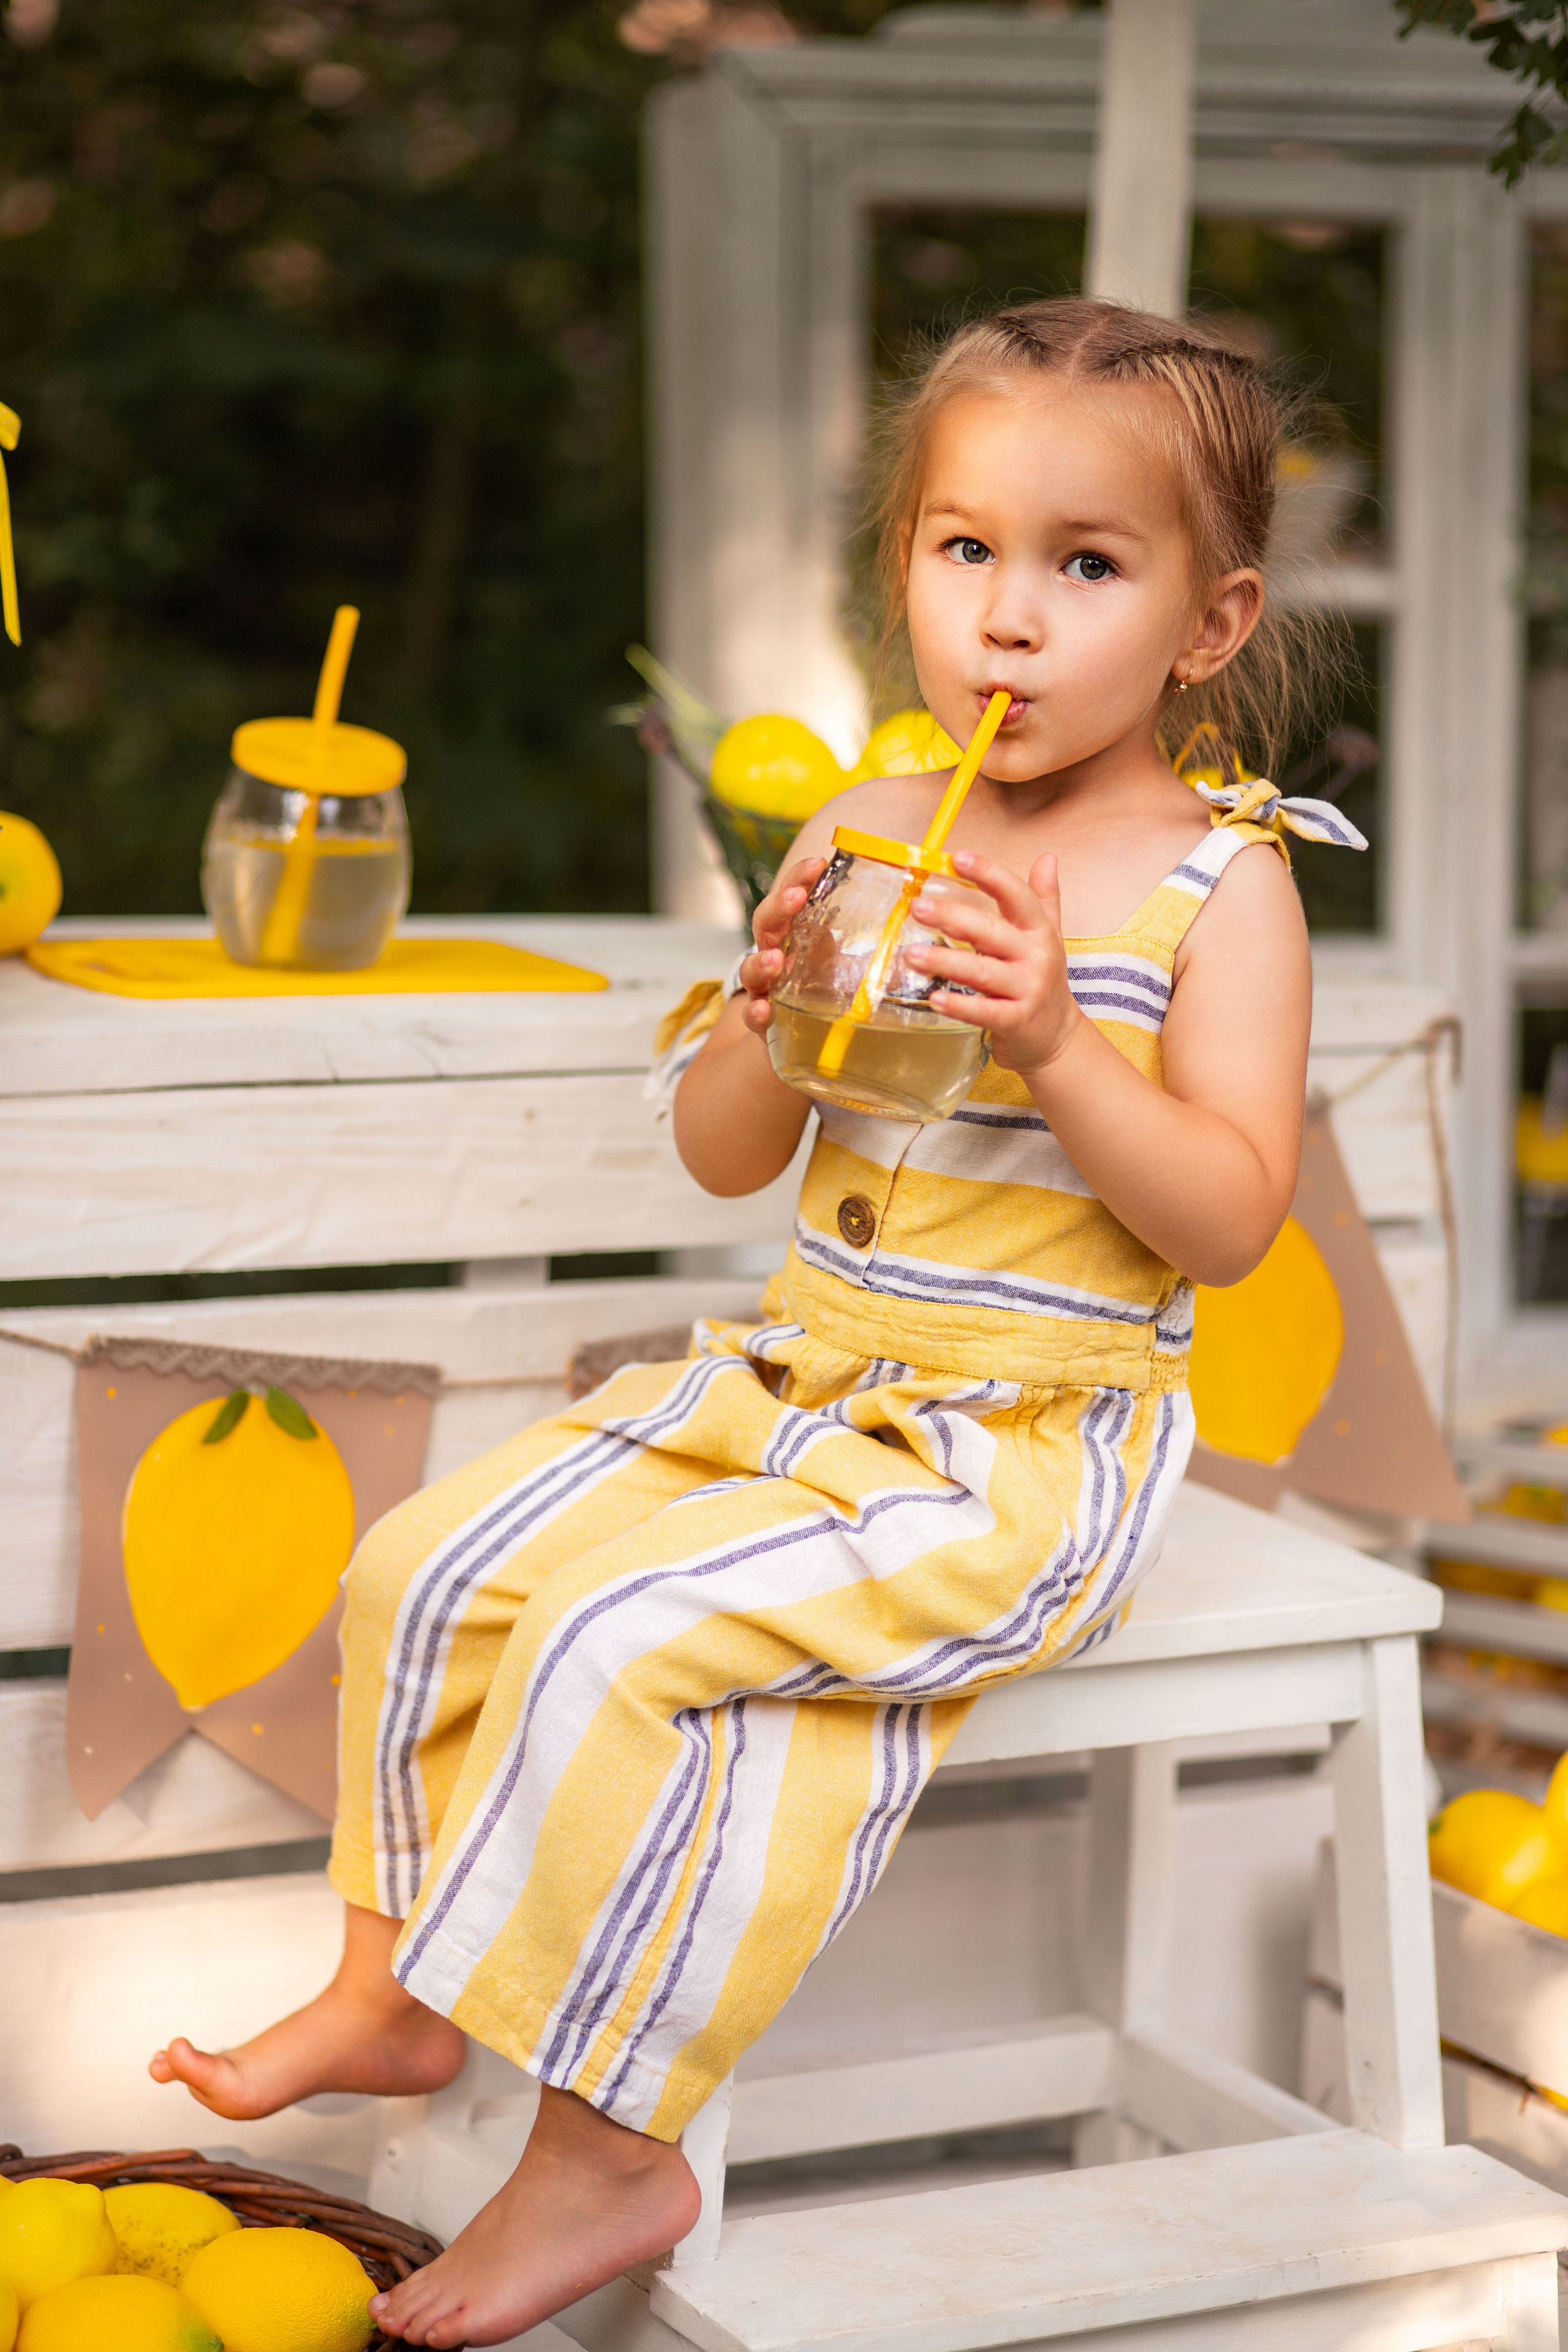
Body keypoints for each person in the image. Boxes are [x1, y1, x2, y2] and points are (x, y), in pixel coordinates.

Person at [148, 298, 1363, 2349]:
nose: (1006, 616)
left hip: (1023, 1447)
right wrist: (771, 1012)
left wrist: (1064, 1045)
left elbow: (1230, 1221)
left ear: (1210, 623)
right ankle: (393, 1988)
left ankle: (614, 2147)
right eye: (964, 548)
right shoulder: (874, 828)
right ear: (900, 569)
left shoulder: (1213, 889)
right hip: (791, 1381)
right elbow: (729, 1156)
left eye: (1086, 566)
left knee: (627, 1648)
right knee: (420, 1564)